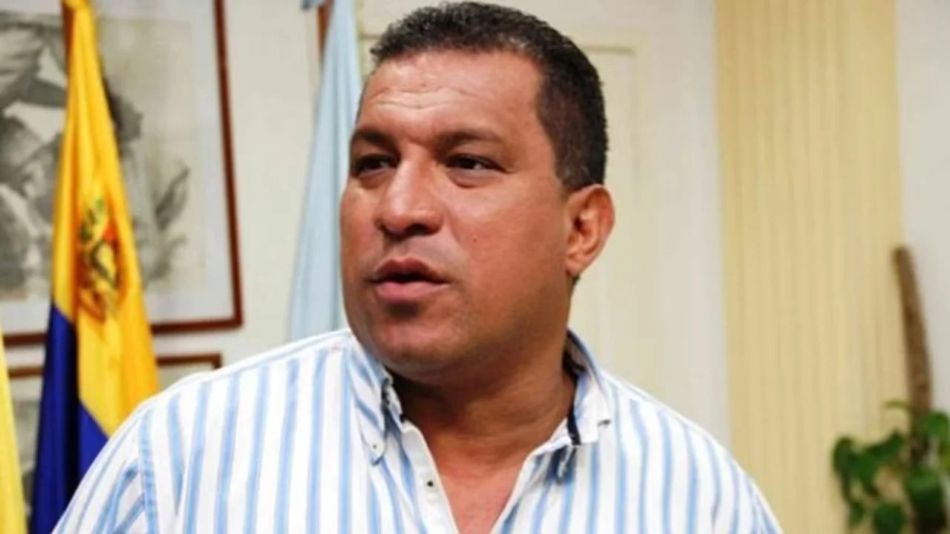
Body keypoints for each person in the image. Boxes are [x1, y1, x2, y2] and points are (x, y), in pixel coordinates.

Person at [55, 3, 780, 532]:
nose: (399, 208)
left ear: (582, 229)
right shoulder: (180, 460)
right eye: (373, 163)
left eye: (468, 163)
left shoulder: (698, 498)